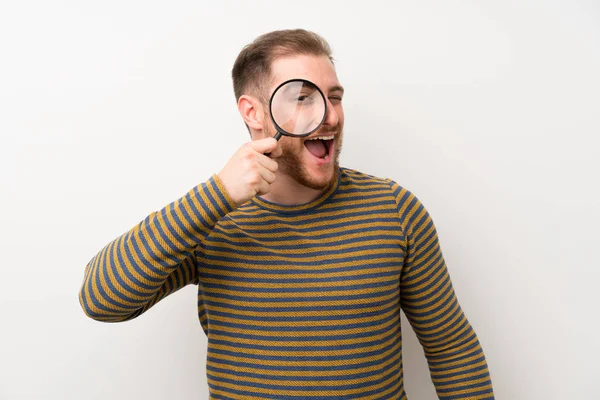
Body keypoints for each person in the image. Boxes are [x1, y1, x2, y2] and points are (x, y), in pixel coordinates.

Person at [79, 29, 495, 399]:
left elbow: (450, 346)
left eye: (334, 97)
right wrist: (216, 196)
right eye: (304, 98)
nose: (330, 116)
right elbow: (102, 300)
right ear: (254, 113)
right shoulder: (210, 218)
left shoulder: (394, 209)